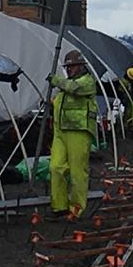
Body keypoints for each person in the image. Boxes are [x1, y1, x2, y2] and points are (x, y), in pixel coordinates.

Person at [49, 50, 97, 219]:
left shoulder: (87, 82)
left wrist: (56, 81)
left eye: (72, 66)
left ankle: (76, 208)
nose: (69, 70)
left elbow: (74, 89)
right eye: (68, 67)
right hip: (60, 131)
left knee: (78, 172)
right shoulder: (65, 86)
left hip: (79, 130)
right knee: (55, 168)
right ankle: (59, 206)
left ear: (81, 66)